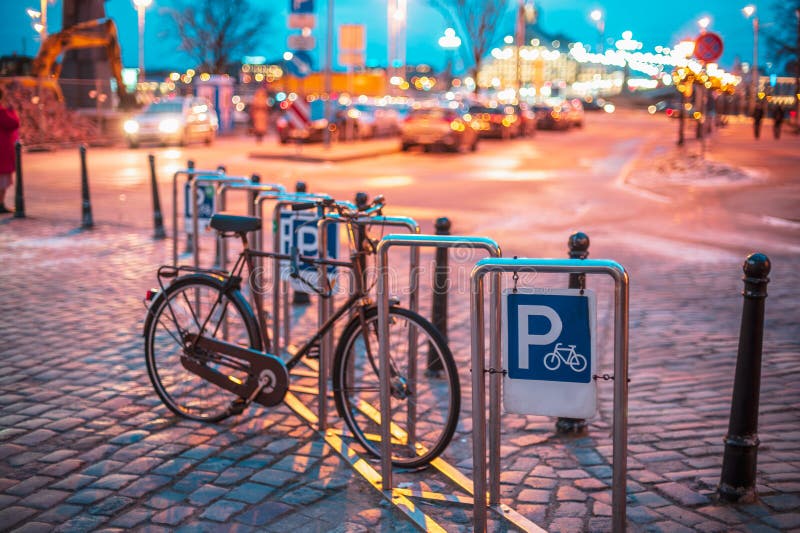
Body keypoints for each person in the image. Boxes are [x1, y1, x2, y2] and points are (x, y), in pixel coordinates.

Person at [0, 87, 21, 214]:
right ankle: (0, 204)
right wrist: (12, 112)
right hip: (2, 151)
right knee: (2, 181)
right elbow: (14, 123)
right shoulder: (2, 112)